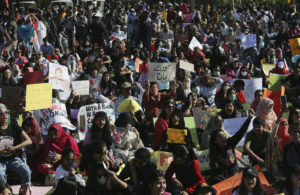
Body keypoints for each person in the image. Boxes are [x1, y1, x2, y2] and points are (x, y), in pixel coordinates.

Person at [209, 109, 254, 184]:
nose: (224, 138)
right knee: (214, 178)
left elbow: (240, 132)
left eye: (224, 136)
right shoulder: (213, 153)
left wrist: (249, 119)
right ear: (215, 141)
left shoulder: (230, 143)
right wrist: (225, 164)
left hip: (234, 173)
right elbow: (215, 170)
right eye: (220, 137)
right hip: (222, 176)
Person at [0, 104, 32, 195]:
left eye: (6, 112)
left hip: (12, 158)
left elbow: (29, 141)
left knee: (26, 170)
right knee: (0, 175)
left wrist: (15, 147)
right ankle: (5, 192)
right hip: (0, 160)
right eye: (2, 113)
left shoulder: (13, 125)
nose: (5, 115)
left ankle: (24, 192)